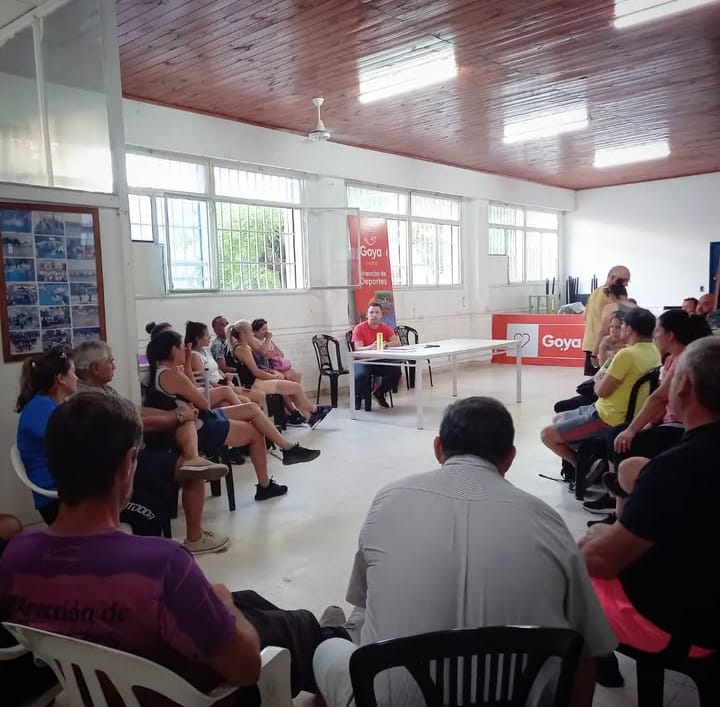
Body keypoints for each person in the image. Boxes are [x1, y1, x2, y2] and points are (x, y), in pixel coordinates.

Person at [0, 393, 350, 703]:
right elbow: (245, 668)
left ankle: (320, 634)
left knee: (249, 600)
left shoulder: (17, 556)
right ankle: (335, 644)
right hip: (186, 691)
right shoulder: (161, 565)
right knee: (298, 626)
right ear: (128, 465)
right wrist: (225, 608)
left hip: (95, 686)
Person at [313, 397, 616, 707]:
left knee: (330, 645)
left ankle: (335, 632)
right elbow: (588, 651)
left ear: (438, 448)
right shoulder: (548, 520)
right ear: (510, 458)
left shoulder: (388, 499)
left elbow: (364, 595)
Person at [579, 337, 720, 666]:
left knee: (577, 568)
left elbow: (600, 561)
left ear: (682, 386)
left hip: (687, 628)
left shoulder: (677, 467)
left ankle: (598, 667)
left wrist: (599, 537)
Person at [73, 339, 233, 554]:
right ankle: (195, 538)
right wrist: (177, 415)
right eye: (110, 362)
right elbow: (139, 420)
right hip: (117, 466)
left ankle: (194, 459)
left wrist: (178, 414)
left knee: (188, 443)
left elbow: (136, 410)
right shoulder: (89, 399)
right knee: (192, 471)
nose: (115, 366)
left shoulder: (101, 389)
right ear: (94, 368)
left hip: (133, 454)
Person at [145, 330, 321, 501]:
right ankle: (266, 483)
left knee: (251, 408)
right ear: (172, 350)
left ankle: (287, 448)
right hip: (198, 425)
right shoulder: (174, 375)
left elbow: (194, 395)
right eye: (182, 347)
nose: (185, 350)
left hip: (197, 419)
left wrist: (189, 371)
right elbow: (204, 403)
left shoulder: (161, 373)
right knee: (255, 432)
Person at [588, 311, 713, 524]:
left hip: (679, 427)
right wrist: (649, 423)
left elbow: (659, 398)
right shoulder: (671, 359)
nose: (655, 337)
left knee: (622, 441)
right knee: (617, 437)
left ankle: (621, 512)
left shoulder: (685, 359)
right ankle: (617, 499)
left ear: (670, 335)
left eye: (658, 332)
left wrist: (633, 429)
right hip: (668, 422)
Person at [541, 308, 660, 470]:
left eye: (621, 325)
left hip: (608, 417)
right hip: (612, 411)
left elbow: (600, 391)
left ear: (629, 329)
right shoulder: (655, 351)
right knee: (558, 418)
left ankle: (581, 465)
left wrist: (598, 380)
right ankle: (587, 461)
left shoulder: (626, 355)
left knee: (547, 435)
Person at [227, 320, 331, 428]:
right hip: (254, 384)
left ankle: (311, 418)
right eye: (250, 331)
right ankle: (315, 410)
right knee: (295, 387)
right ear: (243, 333)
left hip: (258, 381)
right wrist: (273, 376)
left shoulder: (246, 347)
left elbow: (257, 367)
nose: (252, 334)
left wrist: (269, 372)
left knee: (293, 388)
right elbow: (256, 372)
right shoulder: (241, 349)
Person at [15, 347, 77, 524]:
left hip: (66, 492)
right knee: (147, 505)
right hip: (58, 500)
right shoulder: (41, 409)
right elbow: (75, 447)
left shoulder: (47, 406)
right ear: (61, 378)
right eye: (73, 372)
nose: (77, 378)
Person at [250, 318, 305, 425]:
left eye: (266, 329)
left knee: (296, 375)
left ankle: (292, 403)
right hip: (268, 367)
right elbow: (263, 353)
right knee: (283, 380)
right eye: (263, 330)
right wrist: (268, 341)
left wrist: (273, 353)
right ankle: (291, 410)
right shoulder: (254, 341)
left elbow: (280, 353)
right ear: (255, 331)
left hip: (277, 364)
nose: (266, 332)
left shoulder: (269, 341)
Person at [350, 302, 402, 409]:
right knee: (361, 376)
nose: (374, 315)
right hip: (362, 361)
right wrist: (370, 347)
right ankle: (360, 398)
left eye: (377, 312)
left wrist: (386, 344)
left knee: (396, 371)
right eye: (371, 312)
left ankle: (379, 392)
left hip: (379, 360)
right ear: (367, 315)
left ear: (381, 315)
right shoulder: (359, 328)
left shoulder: (385, 327)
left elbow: (397, 342)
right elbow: (357, 348)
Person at [581, 266, 631, 375]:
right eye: (624, 280)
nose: (626, 284)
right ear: (612, 278)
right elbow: (605, 328)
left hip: (591, 344)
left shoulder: (595, 293)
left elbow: (585, 316)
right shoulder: (610, 298)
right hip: (606, 347)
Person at [592, 284, 636, 359]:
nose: (607, 301)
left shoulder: (610, 307)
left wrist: (594, 354)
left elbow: (603, 331)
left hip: (618, 349)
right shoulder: (637, 308)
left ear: (611, 295)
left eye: (607, 298)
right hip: (634, 348)